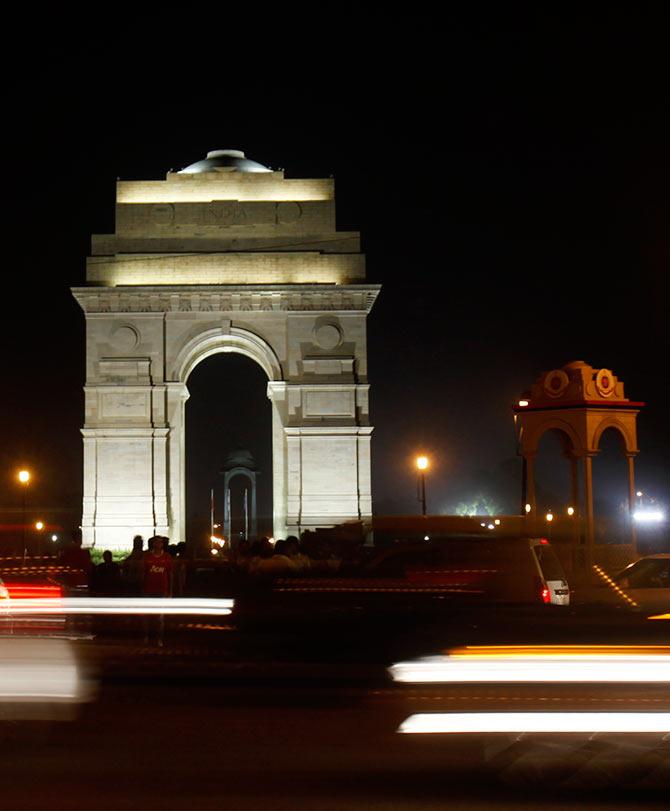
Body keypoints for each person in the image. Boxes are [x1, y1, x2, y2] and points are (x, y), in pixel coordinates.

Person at [142, 536, 173, 646]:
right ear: (153, 544)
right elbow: (144, 574)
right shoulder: (147, 557)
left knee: (160, 618)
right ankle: (146, 638)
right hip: (149, 590)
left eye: (161, 542)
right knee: (147, 617)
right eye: (157, 542)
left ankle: (159, 639)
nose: (159, 544)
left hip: (162, 590)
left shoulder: (167, 557)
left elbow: (170, 574)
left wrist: (170, 591)